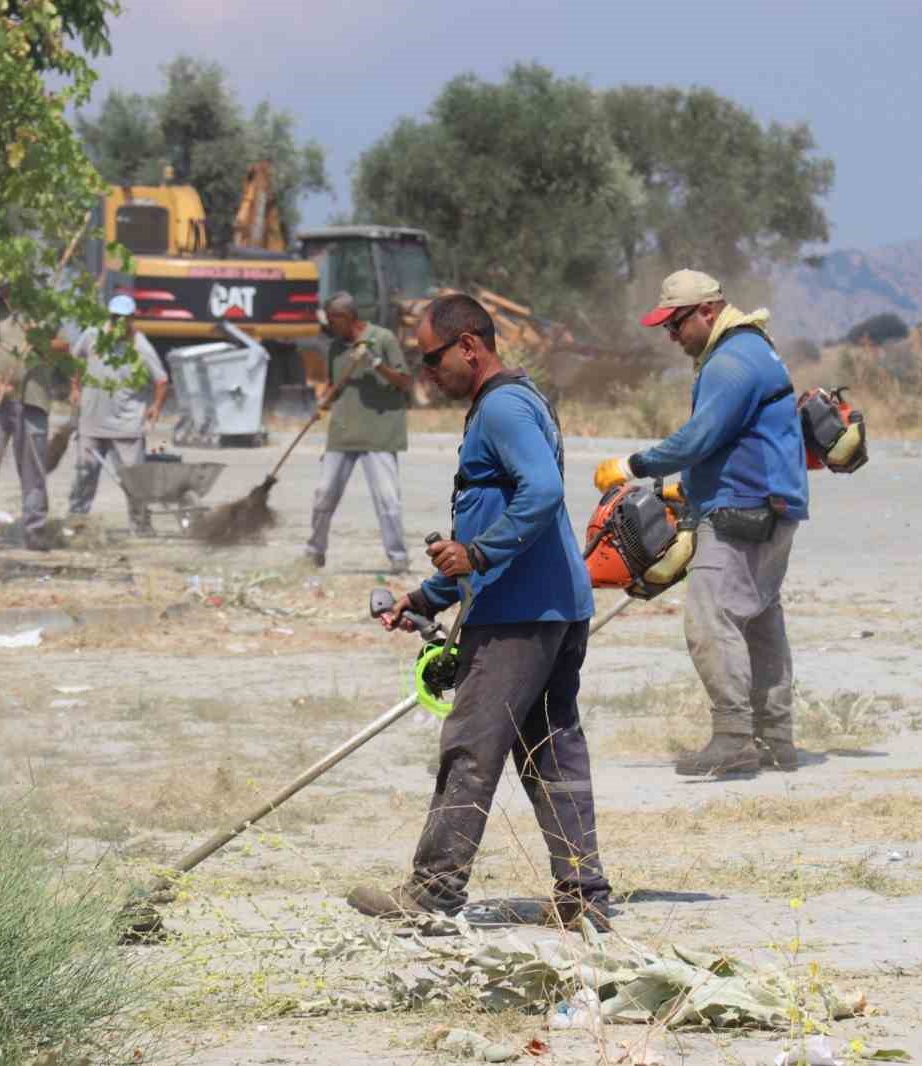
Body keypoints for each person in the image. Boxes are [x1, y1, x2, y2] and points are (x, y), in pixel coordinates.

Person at [350, 293, 611, 931]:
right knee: (551, 752)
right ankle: (584, 896)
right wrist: (427, 595)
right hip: (551, 606)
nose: (426, 371)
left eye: (432, 357)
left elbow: (542, 495)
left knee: (470, 745)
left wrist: (475, 552)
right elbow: (496, 522)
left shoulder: (502, 408)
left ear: (470, 346)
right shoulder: (513, 404)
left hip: (521, 617)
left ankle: (434, 892)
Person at [594, 269, 808, 775]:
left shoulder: (730, 362)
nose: (671, 336)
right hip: (772, 503)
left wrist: (634, 466)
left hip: (742, 509)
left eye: (676, 323)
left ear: (707, 312)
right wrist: (683, 488)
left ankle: (734, 737)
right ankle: (775, 738)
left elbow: (698, 438)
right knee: (758, 619)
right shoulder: (752, 348)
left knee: (710, 620)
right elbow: (735, 440)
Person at [305, 291, 412, 574]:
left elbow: (404, 382)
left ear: (346, 317)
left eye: (332, 320)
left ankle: (398, 556)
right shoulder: (335, 348)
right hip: (343, 431)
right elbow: (334, 384)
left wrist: (375, 363)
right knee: (323, 493)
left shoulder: (383, 339)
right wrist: (323, 402)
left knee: (388, 500)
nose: (329, 325)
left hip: (379, 433)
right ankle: (314, 552)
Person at [65, 294, 169, 532]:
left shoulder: (139, 344)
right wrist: (74, 387)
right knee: (84, 475)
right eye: (115, 318)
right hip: (91, 421)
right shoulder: (92, 336)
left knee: (134, 480)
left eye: (125, 318)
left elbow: (161, 380)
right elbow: (75, 361)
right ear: (110, 317)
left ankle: (141, 526)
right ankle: (75, 523)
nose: (119, 323)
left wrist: (155, 407)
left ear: (132, 319)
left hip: (126, 424)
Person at [0, 287, 55, 552]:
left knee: (33, 470)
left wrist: (41, 337)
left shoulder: (40, 309)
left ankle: (35, 532)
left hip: (32, 398)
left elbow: (63, 346)